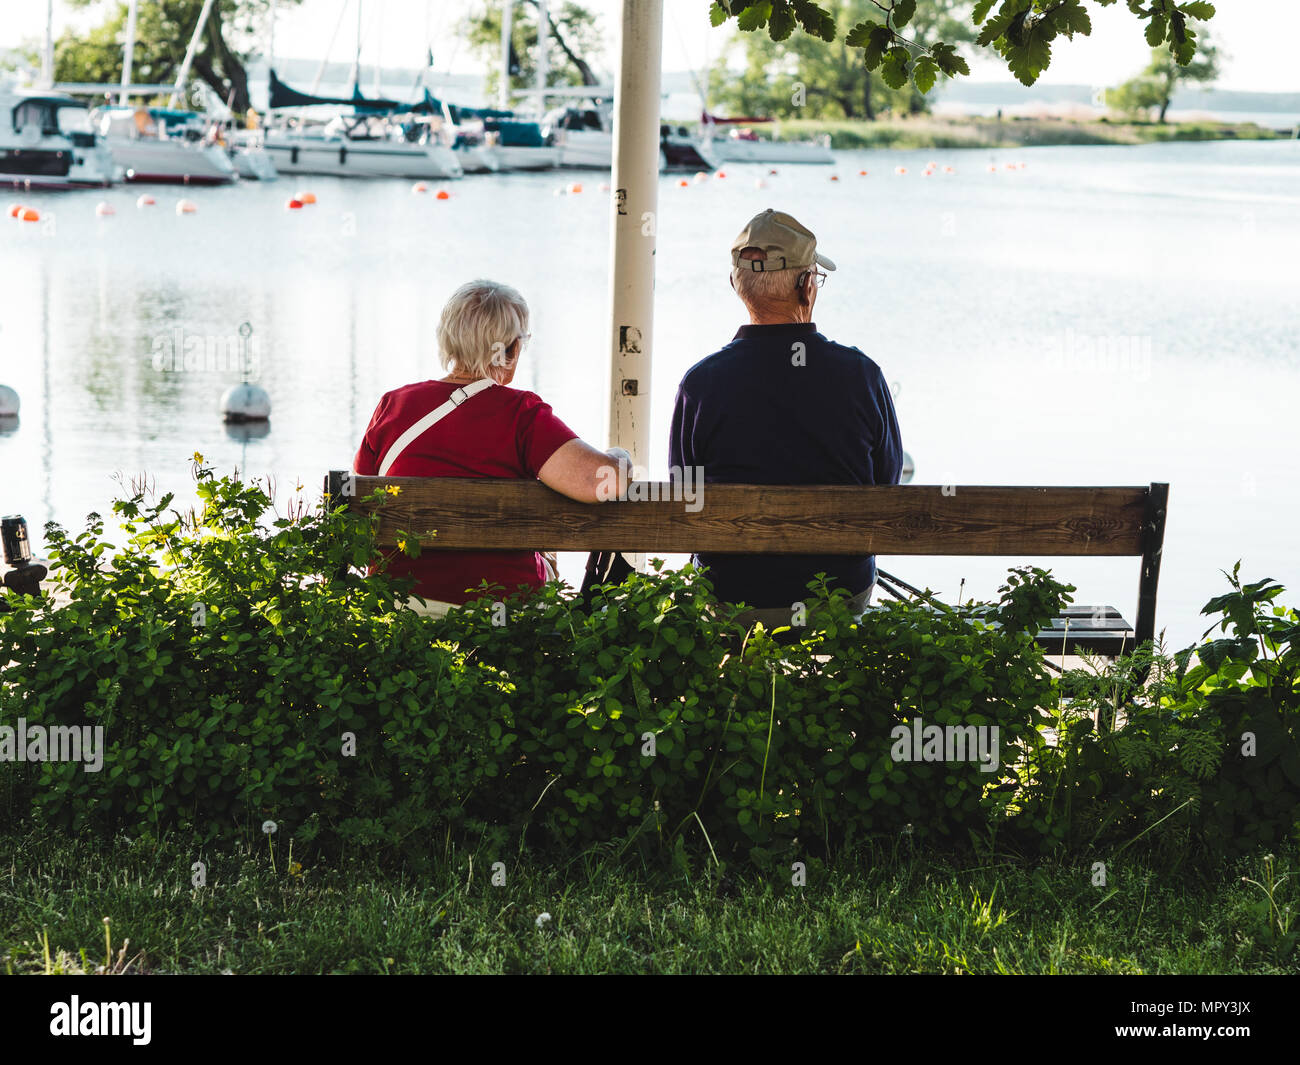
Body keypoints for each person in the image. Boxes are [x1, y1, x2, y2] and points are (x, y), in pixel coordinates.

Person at [668, 208, 903, 626]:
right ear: (807, 285)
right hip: (837, 595)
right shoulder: (861, 375)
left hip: (733, 597)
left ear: (736, 286)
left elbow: (685, 494)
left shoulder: (701, 384)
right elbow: (886, 486)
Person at [353, 280, 630, 615]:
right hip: (500, 610)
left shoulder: (393, 405)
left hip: (400, 602)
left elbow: (363, 498)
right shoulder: (520, 414)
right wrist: (621, 458)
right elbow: (601, 482)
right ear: (510, 351)